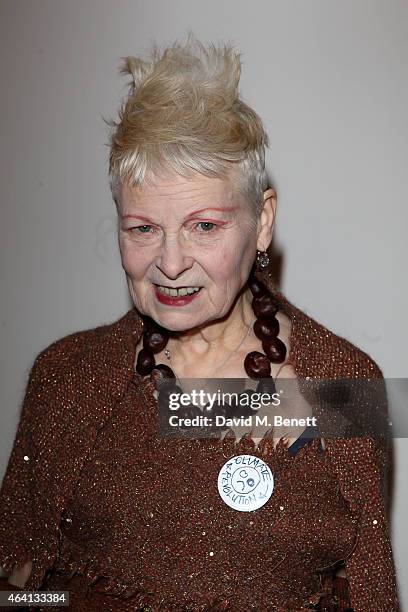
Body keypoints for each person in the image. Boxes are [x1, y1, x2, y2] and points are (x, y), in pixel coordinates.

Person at [0, 34, 399, 611]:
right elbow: (14, 593)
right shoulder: (66, 378)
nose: (169, 263)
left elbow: (370, 594)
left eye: (204, 226)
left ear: (262, 222)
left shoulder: (346, 386)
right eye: (142, 228)